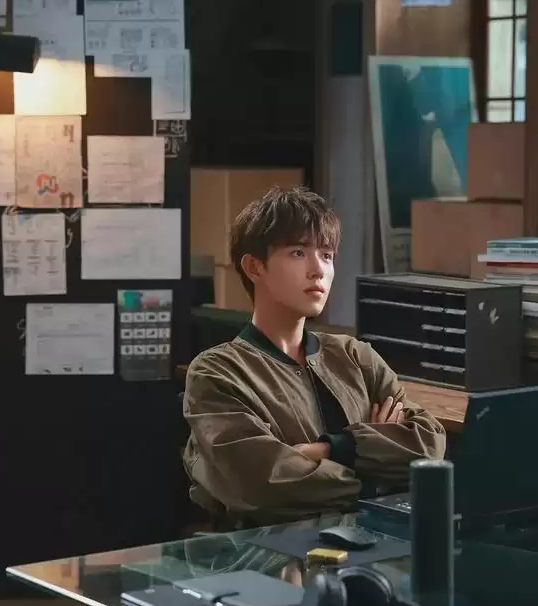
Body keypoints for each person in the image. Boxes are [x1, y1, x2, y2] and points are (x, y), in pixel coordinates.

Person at [183, 186, 446, 527]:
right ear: (254, 267)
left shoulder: (355, 356)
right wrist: (380, 472)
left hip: (373, 539)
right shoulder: (218, 373)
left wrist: (333, 449)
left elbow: (428, 445)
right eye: (298, 252)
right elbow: (263, 484)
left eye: (326, 255)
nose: (318, 270)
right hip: (272, 549)